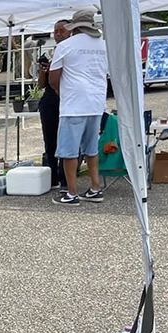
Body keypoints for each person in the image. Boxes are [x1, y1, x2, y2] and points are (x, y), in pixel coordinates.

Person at [49, 9, 108, 206]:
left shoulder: (65, 46)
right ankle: (95, 188)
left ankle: (72, 193)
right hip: (96, 102)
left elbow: (53, 77)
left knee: (69, 151)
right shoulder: (104, 46)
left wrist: (60, 91)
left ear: (74, 27)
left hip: (74, 103)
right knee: (91, 149)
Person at [38, 20, 71, 191]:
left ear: (70, 32)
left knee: (66, 141)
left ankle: (66, 178)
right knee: (49, 141)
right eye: (55, 31)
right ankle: (51, 178)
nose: (58, 34)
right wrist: (45, 71)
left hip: (67, 98)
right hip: (50, 99)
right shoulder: (50, 53)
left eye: (61, 30)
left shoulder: (73, 51)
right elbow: (42, 84)